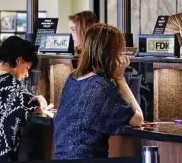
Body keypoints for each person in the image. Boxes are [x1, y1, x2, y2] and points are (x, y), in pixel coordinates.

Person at [53, 24, 143, 160]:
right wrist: (120, 79)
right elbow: (138, 119)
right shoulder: (102, 87)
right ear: (111, 53)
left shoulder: (72, 79)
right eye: (120, 51)